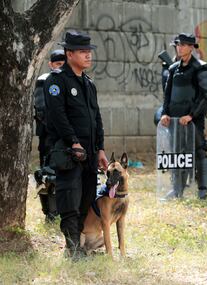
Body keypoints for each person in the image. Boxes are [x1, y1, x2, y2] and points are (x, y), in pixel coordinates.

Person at [44, 31, 108, 258]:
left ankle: (80, 244)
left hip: (90, 153)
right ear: (69, 54)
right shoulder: (56, 80)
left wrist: (100, 148)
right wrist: (73, 142)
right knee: (69, 198)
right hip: (69, 152)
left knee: (87, 197)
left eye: (89, 52)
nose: (88, 56)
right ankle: (71, 248)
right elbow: (57, 116)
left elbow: (96, 118)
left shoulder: (89, 84)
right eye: (83, 52)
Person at [160, 33, 207, 199]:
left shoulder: (200, 68)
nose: (179, 48)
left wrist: (191, 115)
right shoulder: (173, 69)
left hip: (193, 120)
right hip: (174, 120)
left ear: (191, 47)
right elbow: (167, 96)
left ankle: (203, 189)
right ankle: (177, 189)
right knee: (177, 153)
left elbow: (204, 96)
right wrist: (165, 113)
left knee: (199, 152)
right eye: (177, 45)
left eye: (183, 45)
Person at [33, 49, 66, 167]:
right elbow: (42, 109)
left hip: (66, 133)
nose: (61, 68)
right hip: (48, 132)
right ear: (50, 65)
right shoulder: (44, 79)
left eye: (64, 64)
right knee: (48, 168)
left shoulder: (69, 80)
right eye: (58, 64)